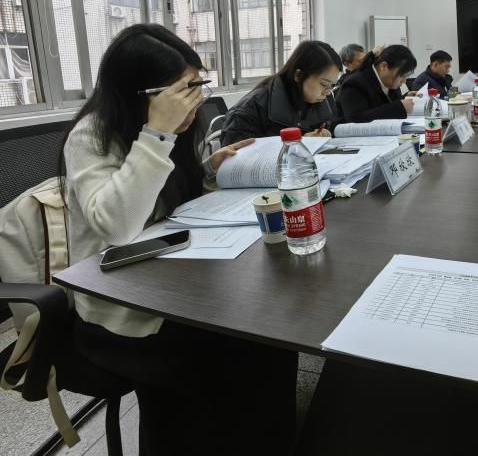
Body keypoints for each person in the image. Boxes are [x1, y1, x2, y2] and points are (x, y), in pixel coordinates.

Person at [60, 24, 296, 454]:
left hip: (177, 279)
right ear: (140, 94)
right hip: (122, 306)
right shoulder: (92, 135)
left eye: (197, 87)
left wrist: (209, 169)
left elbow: (171, 201)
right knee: (229, 355)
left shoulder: (177, 126)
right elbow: (118, 224)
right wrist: (158, 134)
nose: (194, 102)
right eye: (184, 92)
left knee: (272, 335)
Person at [221, 40, 342, 146]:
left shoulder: (319, 101)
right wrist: (298, 144)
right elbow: (236, 158)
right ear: (299, 76)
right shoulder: (249, 110)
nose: (327, 93)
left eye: (331, 86)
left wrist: (323, 135)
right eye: (323, 84)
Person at [338, 44, 417, 123]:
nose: (404, 81)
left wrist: (404, 98)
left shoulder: (390, 82)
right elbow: (356, 119)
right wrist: (399, 107)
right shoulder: (355, 83)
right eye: (402, 75)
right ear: (384, 66)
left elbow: (384, 104)